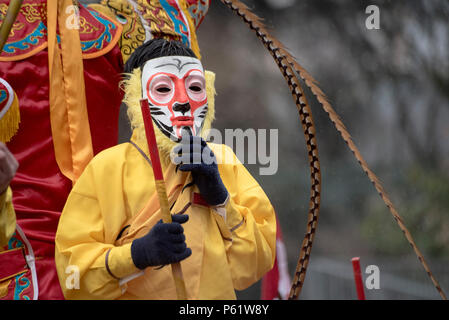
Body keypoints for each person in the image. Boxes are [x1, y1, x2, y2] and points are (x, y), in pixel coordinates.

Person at [55, 39, 276, 299]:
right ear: (135, 96)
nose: (183, 101)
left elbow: (256, 263)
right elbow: (71, 277)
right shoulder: (107, 168)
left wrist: (221, 200)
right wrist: (136, 255)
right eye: (163, 88)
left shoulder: (223, 160)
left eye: (194, 87)